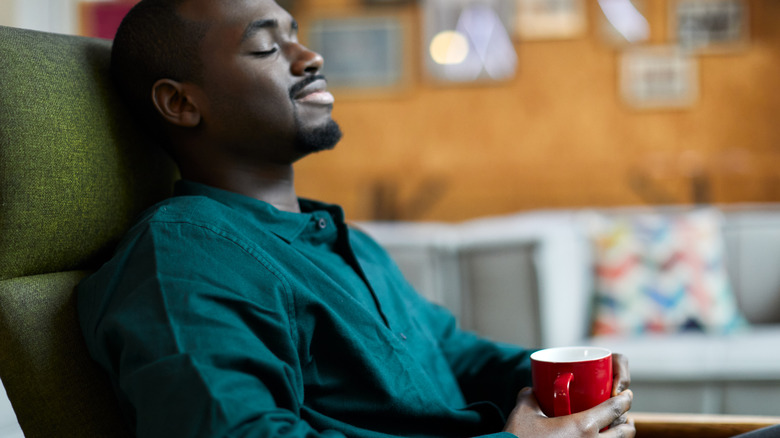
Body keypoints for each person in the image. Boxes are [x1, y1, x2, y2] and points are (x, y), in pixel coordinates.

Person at [77, 0, 635, 437]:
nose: (310, 57)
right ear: (180, 103)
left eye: (296, 35)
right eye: (266, 47)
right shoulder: (184, 255)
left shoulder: (350, 243)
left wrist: (570, 374)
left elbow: (452, 354)